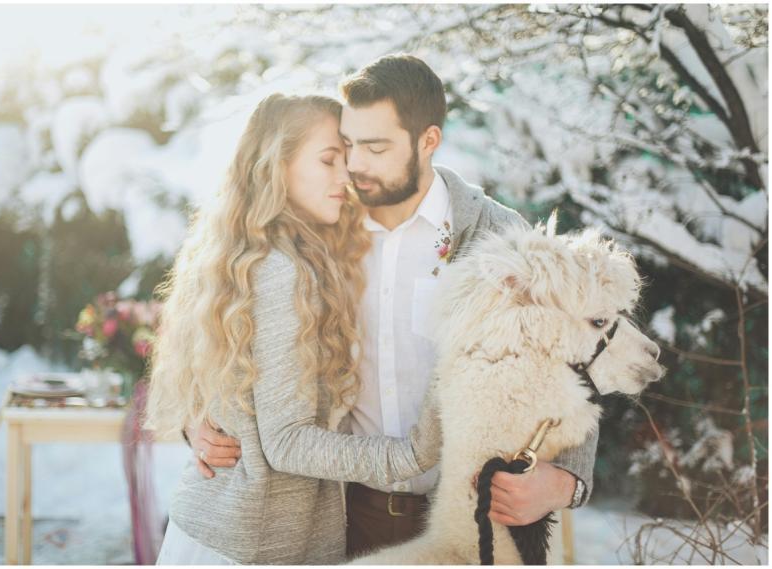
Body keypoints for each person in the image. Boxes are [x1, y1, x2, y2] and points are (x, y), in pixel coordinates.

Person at [189, 54, 598, 560]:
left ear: (428, 142)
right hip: (351, 519)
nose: (356, 164)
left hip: (475, 517)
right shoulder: (322, 232)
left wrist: (566, 480)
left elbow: (578, 356)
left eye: (375, 148)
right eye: (348, 145)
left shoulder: (498, 236)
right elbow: (224, 315)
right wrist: (200, 414)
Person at [145, 93, 443, 565]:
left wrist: (200, 421)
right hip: (256, 543)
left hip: (219, 530)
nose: (345, 176)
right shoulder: (283, 269)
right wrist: (411, 455)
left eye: (347, 160)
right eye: (328, 160)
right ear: (276, 165)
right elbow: (285, 442)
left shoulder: (249, 251)